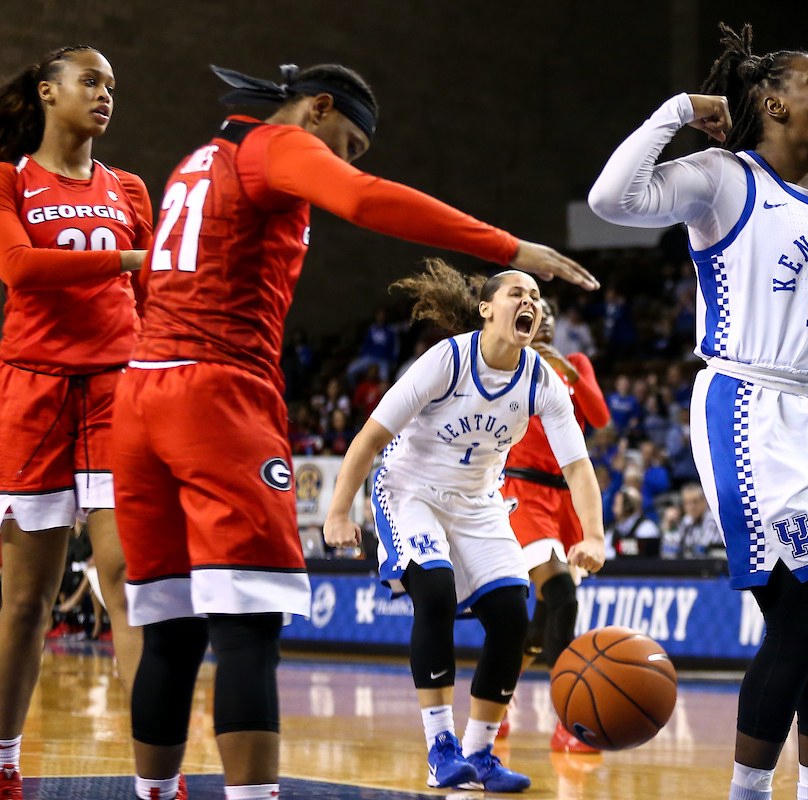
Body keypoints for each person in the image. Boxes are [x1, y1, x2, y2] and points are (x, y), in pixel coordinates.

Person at [111, 63, 597, 800]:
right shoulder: (273, 144)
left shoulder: (196, 161)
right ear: (317, 108)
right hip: (215, 393)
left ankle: (152, 793)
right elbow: (367, 202)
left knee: (172, 632)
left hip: (140, 393)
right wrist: (509, 249)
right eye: (346, 143)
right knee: (247, 630)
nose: (341, 160)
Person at [588, 22, 808, 800]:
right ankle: (747, 792)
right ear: (772, 103)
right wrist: (676, 110)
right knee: (803, 622)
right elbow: (610, 197)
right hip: (753, 404)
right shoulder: (722, 178)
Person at [322, 263, 605, 791]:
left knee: (510, 614)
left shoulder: (542, 378)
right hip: (411, 491)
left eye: (536, 296)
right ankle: (440, 747)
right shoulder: (447, 359)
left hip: (478, 501)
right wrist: (338, 512)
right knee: (434, 593)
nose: (530, 301)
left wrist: (593, 534)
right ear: (486, 308)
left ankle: (480, 754)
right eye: (517, 293)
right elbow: (369, 437)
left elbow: (578, 467)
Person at [0, 45, 152, 798]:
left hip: (116, 391)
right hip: (33, 393)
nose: (105, 95)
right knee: (27, 601)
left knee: (126, 580)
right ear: (46, 91)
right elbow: (21, 269)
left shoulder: (128, 186)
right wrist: (124, 259)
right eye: (90, 81)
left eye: (112, 86)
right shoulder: (7, 180)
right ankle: (2, 761)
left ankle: (157, 775)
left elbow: (152, 300)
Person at [499, 297, 609, 753]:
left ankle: (494, 698)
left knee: (543, 619)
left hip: (566, 496)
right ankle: (569, 720)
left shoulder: (575, 363)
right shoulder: (510, 365)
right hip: (522, 493)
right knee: (561, 595)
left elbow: (600, 418)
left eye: (547, 315)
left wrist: (569, 368)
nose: (539, 320)